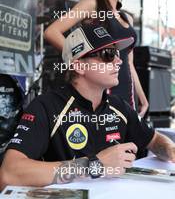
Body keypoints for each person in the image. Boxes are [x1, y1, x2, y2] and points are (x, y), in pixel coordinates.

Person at [0, 22, 175, 189]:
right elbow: (8, 174)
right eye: (107, 54)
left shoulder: (118, 106)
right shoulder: (46, 107)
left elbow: (154, 139)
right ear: (79, 66)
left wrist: (169, 149)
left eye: (117, 54)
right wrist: (95, 165)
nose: (118, 61)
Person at [44, 0, 148, 117]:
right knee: (105, 137)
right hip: (101, 87)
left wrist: (142, 97)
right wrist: (82, 59)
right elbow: (52, 32)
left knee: (129, 138)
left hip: (128, 93)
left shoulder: (128, 18)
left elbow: (129, 63)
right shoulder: (93, 5)